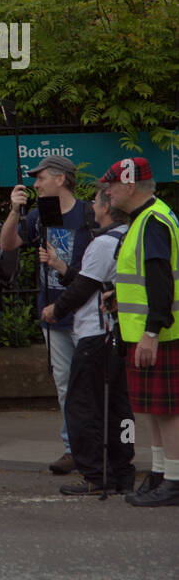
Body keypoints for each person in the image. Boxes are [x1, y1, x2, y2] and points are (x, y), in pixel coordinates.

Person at [0, 155, 94, 474]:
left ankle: (95, 446)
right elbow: (8, 243)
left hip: (85, 312)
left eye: (41, 178)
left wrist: (61, 265)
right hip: (53, 314)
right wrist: (14, 211)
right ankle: (73, 448)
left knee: (92, 382)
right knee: (65, 384)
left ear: (61, 179)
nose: (35, 184)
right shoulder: (42, 215)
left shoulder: (88, 214)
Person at [40, 188, 135, 495]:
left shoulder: (103, 243)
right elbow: (94, 281)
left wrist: (56, 309)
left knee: (84, 407)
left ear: (107, 206)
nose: (92, 206)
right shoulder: (128, 238)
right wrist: (61, 267)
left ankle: (95, 474)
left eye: (96, 201)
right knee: (119, 406)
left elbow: (84, 288)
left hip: (96, 334)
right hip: (119, 334)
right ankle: (122, 470)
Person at [99, 157, 179, 507]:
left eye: (112, 185)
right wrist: (118, 296)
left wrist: (151, 332)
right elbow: (145, 278)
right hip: (144, 332)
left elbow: (162, 281)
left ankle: (175, 480)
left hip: (158, 335)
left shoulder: (152, 222)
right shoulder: (145, 218)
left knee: (168, 411)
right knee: (151, 410)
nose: (108, 191)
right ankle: (161, 473)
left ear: (130, 185)